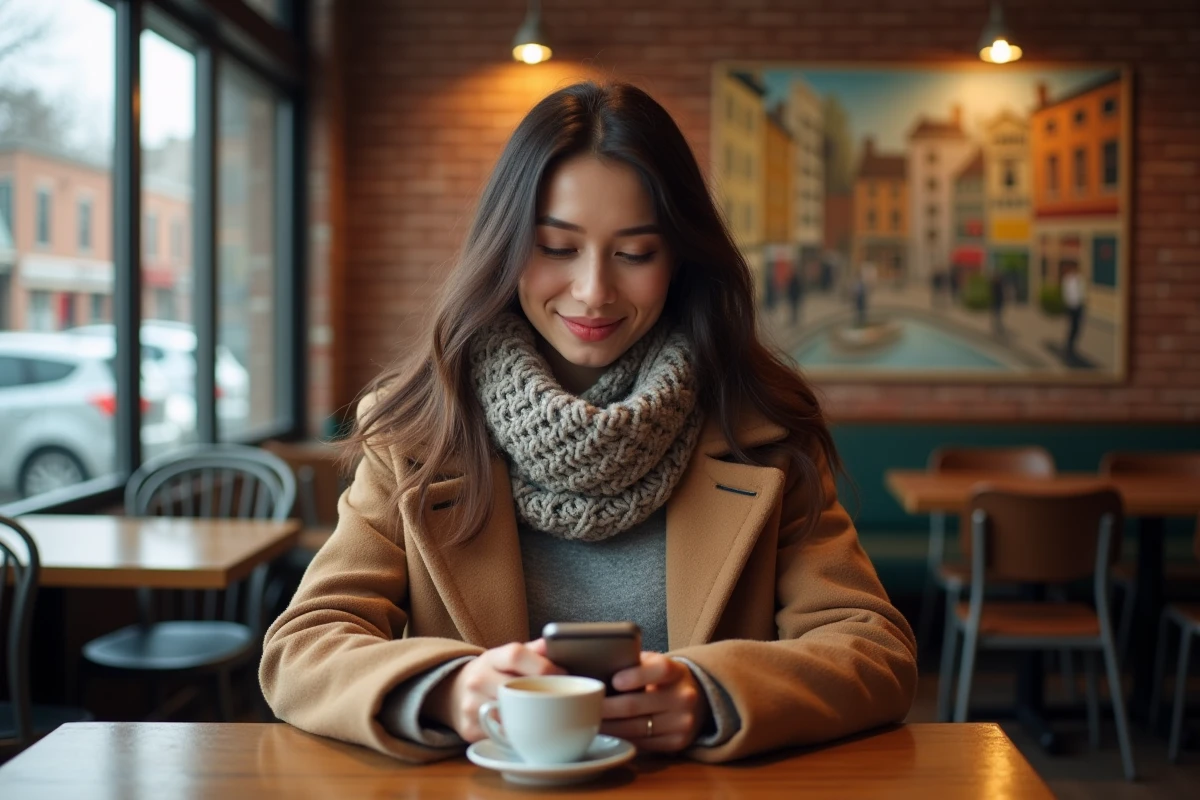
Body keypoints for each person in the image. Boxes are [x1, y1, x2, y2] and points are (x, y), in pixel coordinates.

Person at [260, 82, 917, 765]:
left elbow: (873, 649)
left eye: (635, 253)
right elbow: (303, 645)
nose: (594, 290)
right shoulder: (422, 427)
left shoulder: (761, 427)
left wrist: (711, 693)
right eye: (556, 247)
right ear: (506, 247)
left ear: (680, 260)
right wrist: (449, 690)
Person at [1062, 263, 1086, 360]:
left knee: (1077, 327)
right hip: (1071, 306)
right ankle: (1069, 346)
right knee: (1071, 326)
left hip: (1079, 306)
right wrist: (1067, 304)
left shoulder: (1080, 279)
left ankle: (1072, 345)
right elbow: (1065, 292)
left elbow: (1082, 291)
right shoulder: (1067, 279)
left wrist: (1082, 302)